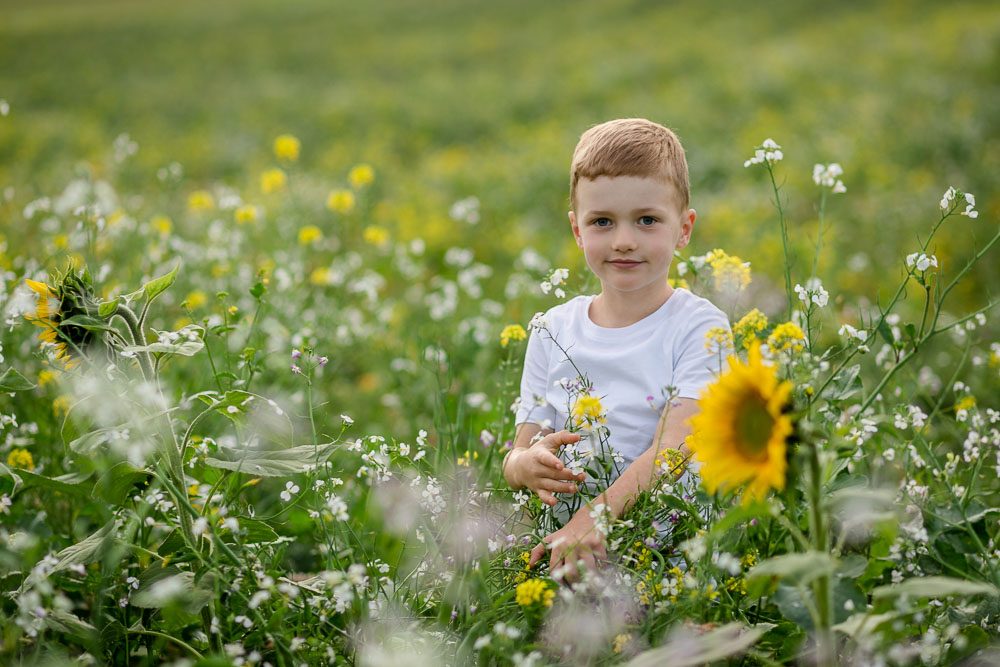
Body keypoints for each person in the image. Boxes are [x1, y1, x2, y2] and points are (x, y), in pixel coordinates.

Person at [502, 118, 730, 580]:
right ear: (577, 230)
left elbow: (676, 447)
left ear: (684, 228)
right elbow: (519, 451)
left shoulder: (700, 325)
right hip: (563, 547)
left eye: (647, 220)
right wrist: (524, 466)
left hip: (667, 550)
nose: (624, 240)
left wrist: (594, 520)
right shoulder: (552, 329)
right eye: (602, 222)